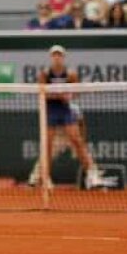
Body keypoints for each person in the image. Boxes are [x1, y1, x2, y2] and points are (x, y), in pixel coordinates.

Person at [38, 46, 106, 188]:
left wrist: (69, 95)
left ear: (63, 57)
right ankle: (45, 178)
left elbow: (75, 92)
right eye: (54, 55)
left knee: (77, 140)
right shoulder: (44, 74)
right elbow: (42, 92)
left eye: (59, 55)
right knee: (48, 145)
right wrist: (59, 94)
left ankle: (92, 174)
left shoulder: (71, 74)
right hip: (50, 110)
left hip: (65, 110)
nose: (57, 57)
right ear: (51, 57)